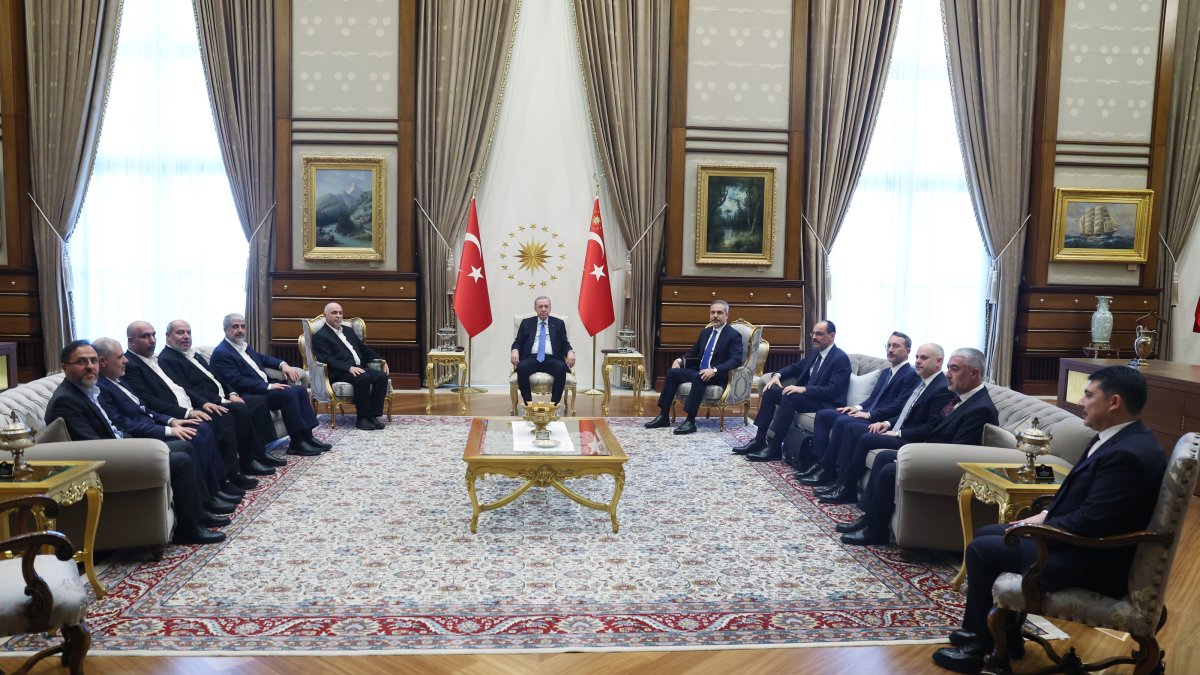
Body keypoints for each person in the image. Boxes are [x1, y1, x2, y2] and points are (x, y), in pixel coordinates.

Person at [931, 366, 1167, 674]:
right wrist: (1044, 515)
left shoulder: (1128, 454)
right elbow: (1091, 504)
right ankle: (1004, 636)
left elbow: (1092, 522)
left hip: (1093, 559)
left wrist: (1039, 529)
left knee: (982, 550)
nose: (1081, 403)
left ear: (1114, 402)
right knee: (989, 532)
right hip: (1083, 545)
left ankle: (981, 647)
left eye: (1088, 395)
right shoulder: (1121, 439)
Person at [44, 340, 227, 545]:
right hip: (109, 460)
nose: (89, 366)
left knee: (185, 446)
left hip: (122, 446)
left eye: (93, 361)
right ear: (64, 367)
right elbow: (91, 445)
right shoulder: (66, 400)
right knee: (182, 460)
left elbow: (118, 422)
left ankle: (199, 513)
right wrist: (134, 446)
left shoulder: (89, 389)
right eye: (81, 362)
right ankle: (188, 528)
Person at [840, 347, 999, 546]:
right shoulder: (962, 397)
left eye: (954, 369)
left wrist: (917, 458)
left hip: (945, 466)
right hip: (928, 453)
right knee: (883, 457)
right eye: (949, 368)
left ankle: (876, 531)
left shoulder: (980, 408)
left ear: (973, 373)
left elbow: (958, 452)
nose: (948, 374)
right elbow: (937, 431)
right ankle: (871, 519)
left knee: (890, 469)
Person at [122, 320, 266, 485]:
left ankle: (236, 471)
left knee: (234, 412)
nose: (152, 340)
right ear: (131, 341)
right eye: (145, 336)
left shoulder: (155, 359)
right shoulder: (136, 364)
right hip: (175, 413)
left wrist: (221, 397)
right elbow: (150, 400)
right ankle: (225, 479)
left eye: (153, 335)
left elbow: (184, 386)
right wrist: (190, 411)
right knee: (223, 417)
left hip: (193, 405)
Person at [814, 343, 955, 504]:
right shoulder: (923, 381)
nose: (918, 361)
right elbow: (905, 412)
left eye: (924, 358)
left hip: (912, 439)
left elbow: (931, 427)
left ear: (939, 362)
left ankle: (847, 487)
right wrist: (887, 424)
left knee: (865, 437)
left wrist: (897, 432)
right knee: (851, 427)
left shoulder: (941, 388)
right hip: (897, 427)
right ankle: (841, 482)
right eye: (917, 357)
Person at [158, 319, 286, 471]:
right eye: (180, 333)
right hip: (207, 402)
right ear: (168, 336)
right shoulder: (167, 359)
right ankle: (248, 461)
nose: (186, 336)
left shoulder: (194, 354)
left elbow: (217, 377)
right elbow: (186, 389)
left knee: (257, 402)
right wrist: (219, 400)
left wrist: (231, 392)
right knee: (240, 410)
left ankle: (261, 453)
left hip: (222, 397)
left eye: (188, 332)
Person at [796, 331, 920, 485]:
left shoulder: (911, 375)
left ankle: (827, 471)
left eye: (896, 346)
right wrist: (856, 407)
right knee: (824, 415)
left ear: (907, 351)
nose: (890, 350)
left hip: (880, 420)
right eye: (888, 345)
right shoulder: (886, 372)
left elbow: (898, 406)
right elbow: (874, 398)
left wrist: (869, 414)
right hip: (867, 413)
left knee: (842, 422)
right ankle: (817, 463)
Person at [209, 313, 330, 456]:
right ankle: (297, 443)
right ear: (225, 330)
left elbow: (264, 359)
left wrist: (283, 364)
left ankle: (308, 437)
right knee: (289, 392)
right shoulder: (222, 353)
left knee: (300, 390)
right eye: (235, 327)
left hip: (263, 389)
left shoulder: (243, 347)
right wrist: (268, 387)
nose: (240, 330)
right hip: (250, 394)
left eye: (243, 326)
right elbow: (236, 381)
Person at [735, 320, 850, 461]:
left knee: (791, 396)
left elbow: (833, 391)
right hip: (809, 398)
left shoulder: (840, 359)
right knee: (771, 390)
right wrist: (777, 375)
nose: (814, 337)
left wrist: (803, 389)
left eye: (819, 334)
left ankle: (775, 447)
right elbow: (796, 367)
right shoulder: (816, 353)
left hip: (825, 403)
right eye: (813, 333)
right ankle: (759, 439)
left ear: (832, 335)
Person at [645, 300, 743, 435]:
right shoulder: (706, 332)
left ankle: (690, 421)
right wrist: (679, 360)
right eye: (712, 312)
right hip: (700, 371)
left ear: (727, 315)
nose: (715, 315)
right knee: (673, 373)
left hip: (717, 375)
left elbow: (736, 360)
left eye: (719, 313)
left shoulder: (733, 335)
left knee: (698, 377)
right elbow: (694, 351)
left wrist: (714, 370)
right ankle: (663, 416)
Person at [312, 302, 390, 431]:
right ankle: (362, 419)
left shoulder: (348, 330)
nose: (338, 316)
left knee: (381, 377)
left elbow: (363, 349)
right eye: (334, 313)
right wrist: (348, 368)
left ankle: (373, 416)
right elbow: (327, 359)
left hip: (358, 367)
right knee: (363, 378)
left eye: (340, 313)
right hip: (339, 371)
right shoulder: (320, 336)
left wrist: (381, 359)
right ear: (325, 315)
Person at [510, 296, 576, 408]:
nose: (543, 309)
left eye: (546, 306)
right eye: (540, 306)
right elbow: (518, 342)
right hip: (531, 358)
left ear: (550, 308)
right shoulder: (526, 323)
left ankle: (553, 405)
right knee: (522, 367)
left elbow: (565, 343)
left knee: (560, 368)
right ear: (535, 308)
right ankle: (528, 405)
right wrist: (515, 350)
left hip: (552, 359)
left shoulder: (559, 323)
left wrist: (570, 351)